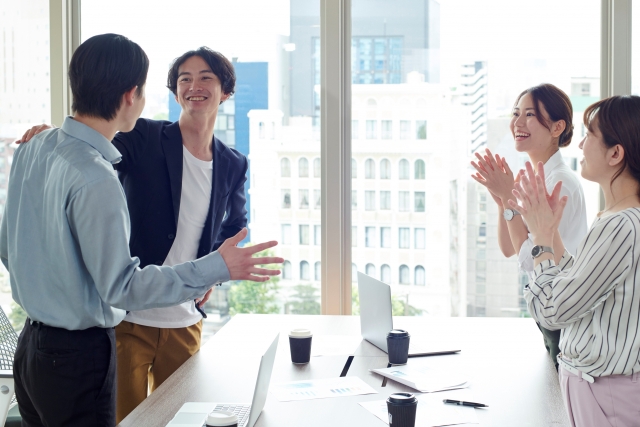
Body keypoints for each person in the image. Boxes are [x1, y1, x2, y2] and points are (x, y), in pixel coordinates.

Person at [0, 33, 282, 427]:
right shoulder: (120, 156)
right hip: (108, 332)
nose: (194, 86)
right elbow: (121, 286)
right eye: (184, 78)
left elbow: (10, 247)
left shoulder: (33, 150)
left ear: (226, 91)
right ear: (132, 95)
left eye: (206, 78)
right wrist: (216, 268)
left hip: (41, 344)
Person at [510, 95, 640, 427]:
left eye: (590, 134)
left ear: (616, 153)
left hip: (606, 392)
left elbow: (553, 311)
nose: (580, 144)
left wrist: (540, 239)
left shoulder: (620, 225)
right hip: (600, 388)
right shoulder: (617, 217)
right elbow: (580, 281)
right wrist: (550, 232)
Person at [470, 84, 588, 368]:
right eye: (516, 113)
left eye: (530, 115)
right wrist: (502, 203)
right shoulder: (535, 178)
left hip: (562, 314)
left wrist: (509, 198)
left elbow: (531, 258)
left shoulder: (559, 182)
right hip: (548, 313)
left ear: (557, 127)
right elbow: (510, 248)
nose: (518, 123)